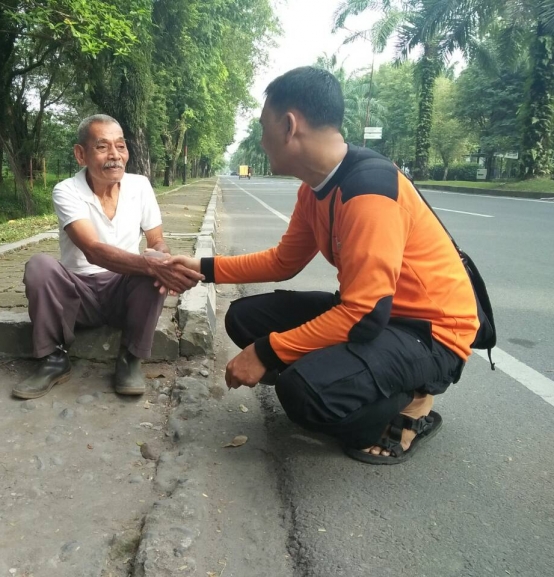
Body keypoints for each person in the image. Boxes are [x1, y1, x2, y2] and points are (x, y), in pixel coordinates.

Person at [171, 67, 479, 465]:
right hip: (378, 317)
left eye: (264, 128)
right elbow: (284, 261)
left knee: (301, 393)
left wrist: (267, 352)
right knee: (245, 317)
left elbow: (364, 316)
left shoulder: (369, 191)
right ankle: (341, 378)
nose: (262, 141)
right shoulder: (314, 189)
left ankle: (412, 404)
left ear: (288, 125)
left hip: (429, 333)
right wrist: (201, 267)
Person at [14, 114, 203, 399]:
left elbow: (157, 240)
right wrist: (150, 264)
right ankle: (53, 360)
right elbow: (92, 250)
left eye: (121, 146)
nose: (115, 156)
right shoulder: (66, 190)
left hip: (122, 293)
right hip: (77, 295)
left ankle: (130, 359)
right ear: (81, 154)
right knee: (39, 266)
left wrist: (163, 259)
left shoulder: (139, 186)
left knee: (156, 266)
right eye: (102, 147)